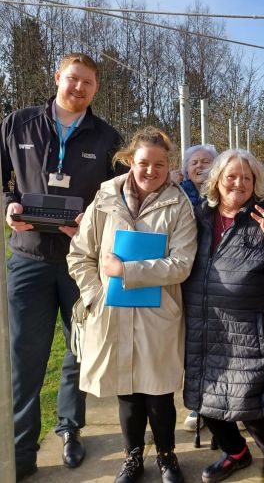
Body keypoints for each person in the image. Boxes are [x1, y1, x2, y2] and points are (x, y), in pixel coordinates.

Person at [0, 53, 124, 481]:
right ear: (57, 78)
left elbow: (119, 196)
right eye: (73, 79)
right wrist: (7, 205)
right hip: (29, 259)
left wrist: (92, 225)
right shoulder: (18, 124)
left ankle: (70, 430)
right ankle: (22, 444)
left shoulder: (108, 136)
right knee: (25, 355)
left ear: (96, 89)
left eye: (88, 83)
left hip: (80, 264)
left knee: (79, 351)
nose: (79, 88)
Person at [67, 127, 197, 483]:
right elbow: (80, 254)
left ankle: (167, 457)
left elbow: (182, 263)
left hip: (158, 314)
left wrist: (126, 270)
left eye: (159, 164)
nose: (151, 171)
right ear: (129, 161)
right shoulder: (106, 199)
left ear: (169, 166)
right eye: (143, 163)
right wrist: (95, 295)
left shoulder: (179, 204)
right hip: (113, 313)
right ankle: (133, 457)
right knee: (126, 393)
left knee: (158, 393)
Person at [182, 149, 264, 483]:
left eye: (246, 177)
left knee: (250, 406)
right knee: (205, 401)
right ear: (217, 180)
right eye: (231, 176)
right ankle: (236, 453)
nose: (238, 183)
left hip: (248, 332)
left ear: (255, 183)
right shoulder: (197, 217)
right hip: (204, 327)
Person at [177, 143, 218, 433]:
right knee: (193, 344)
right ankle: (196, 405)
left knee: (221, 341)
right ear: (186, 168)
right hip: (187, 277)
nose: (200, 165)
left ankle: (226, 401)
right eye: (195, 162)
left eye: (206, 161)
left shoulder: (223, 191)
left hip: (218, 276)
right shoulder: (176, 194)